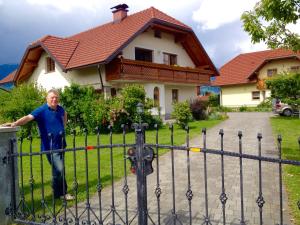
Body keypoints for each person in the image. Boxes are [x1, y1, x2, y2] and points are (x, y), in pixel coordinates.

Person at [6, 89, 74, 201]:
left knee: (57, 170)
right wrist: (16, 123)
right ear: (47, 98)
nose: (54, 99)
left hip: (61, 144)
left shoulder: (60, 109)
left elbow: (65, 114)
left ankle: (56, 192)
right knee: (60, 169)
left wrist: (63, 125)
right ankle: (63, 193)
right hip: (50, 146)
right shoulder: (42, 110)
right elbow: (28, 117)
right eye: (52, 97)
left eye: (56, 97)